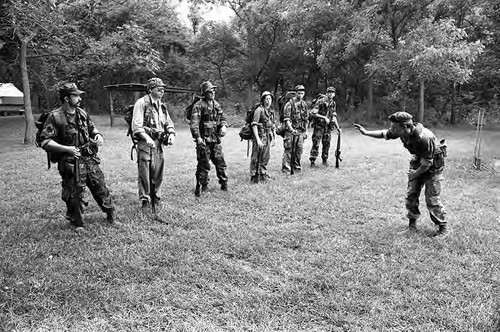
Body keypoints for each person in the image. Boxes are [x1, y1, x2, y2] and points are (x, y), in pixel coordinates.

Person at [354, 112, 448, 236]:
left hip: (433, 165)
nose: (391, 129)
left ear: (404, 127)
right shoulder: (401, 132)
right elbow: (384, 134)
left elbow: (427, 163)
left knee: (432, 198)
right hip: (418, 161)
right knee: (411, 194)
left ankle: (442, 229)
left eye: (394, 127)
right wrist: (366, 132)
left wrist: (415, 174)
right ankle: (412, 226)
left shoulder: (424, 138)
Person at [39, 82, 114, 231]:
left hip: (88, 157)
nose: (79, 98)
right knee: (74, 192)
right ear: (67, 98)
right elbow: (44, 141)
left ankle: (110, 213)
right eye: (76, 95)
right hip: (69, 160)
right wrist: (67, 149)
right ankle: (77, 223)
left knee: (99, 185)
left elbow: (92, 129)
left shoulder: (82, 113)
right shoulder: (55, 117)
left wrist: (98, 135)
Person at [131, 77, 176, 214]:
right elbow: (136, 127)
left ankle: (156, 197)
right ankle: (145, 200)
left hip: (158, 143)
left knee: (158, 171)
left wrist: (171, 134)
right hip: (145, 143)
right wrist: (146, 137)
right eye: (158, 88)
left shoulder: (161, 105)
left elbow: (168, 121)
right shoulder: (141, 103)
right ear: (150, 90)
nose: (162, 90)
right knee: (145, 172)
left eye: (163, 88)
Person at [190, 81, 228, 196]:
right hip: (204, 140)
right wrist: (197, 137)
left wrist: (224, 126)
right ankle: (203, 185)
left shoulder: (216, 104)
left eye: (213, 91)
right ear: (204, 93)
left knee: (220, 162)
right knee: (204, 164)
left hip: (215, 139)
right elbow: (194, 123)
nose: (213, 93)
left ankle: (224, 184)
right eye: (210, 91)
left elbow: (222, 117)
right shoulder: (198, 105)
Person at [309, 86, 341, 167]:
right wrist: (324, 117)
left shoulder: (333, 103)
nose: (331, 94)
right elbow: (313, 113)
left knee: (326, 144)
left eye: (332, 92)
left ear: (334, 94)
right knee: (316, 143)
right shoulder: (321, 101)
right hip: (319, 126)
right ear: (327, 93)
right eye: (329, 92)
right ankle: (313, 160)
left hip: (328, 127)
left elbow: (333, 116)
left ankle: (324, 160)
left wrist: (338, 127)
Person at [282, 84, 309, 173]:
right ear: (295, 93)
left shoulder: (304, 104)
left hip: (300, 131)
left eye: (302, 93)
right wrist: (291, 129)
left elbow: (306, 119)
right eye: (299, 93)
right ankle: (286, 168)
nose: (300, 95)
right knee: (289, 149)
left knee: (299, 150)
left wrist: (306, 131)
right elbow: (287, 119)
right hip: (291, 131)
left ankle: (296, 166)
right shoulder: (289, 104)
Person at [250, 91, 276, 182]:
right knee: (255, 157)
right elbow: (254, 125)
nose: (268, 101)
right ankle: (254, 176)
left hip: (267, 136)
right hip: (260, 136)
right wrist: (257, 140)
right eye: (266, 99)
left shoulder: (271, 111)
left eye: (270, 99)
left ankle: (263, 174)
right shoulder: (259, 110)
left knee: (266, 156)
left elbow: (272, 125)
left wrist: (274, 138)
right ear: (263, 100)